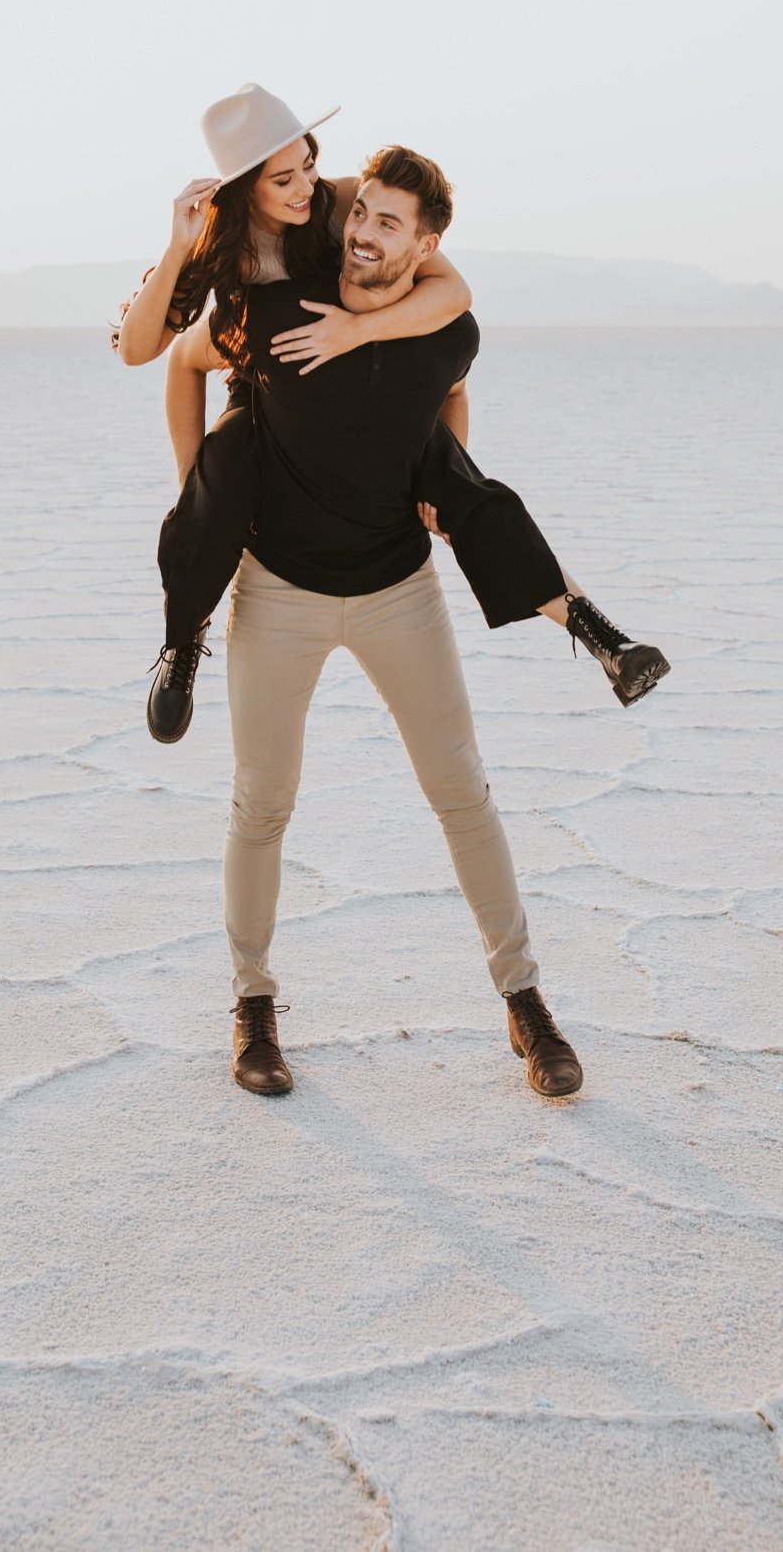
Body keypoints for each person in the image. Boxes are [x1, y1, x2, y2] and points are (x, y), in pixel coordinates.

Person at [171, 144, 587, 1099]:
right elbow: (180, 360)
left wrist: (446, 480)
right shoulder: (287, 303)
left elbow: (451, 371)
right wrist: (196, 495)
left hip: (401, 587)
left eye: (386, 223)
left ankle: (525, 1005)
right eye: (360, 215)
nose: (361, 231)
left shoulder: (433, 313)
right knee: (261, 801)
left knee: (461, 793)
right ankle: (254, 1007)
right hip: (278, 590)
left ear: (422, 241)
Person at [117, 86, 669, 741]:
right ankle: (183, 638)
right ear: (243, 188)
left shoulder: (346, 203)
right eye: (284, 178)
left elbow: (453, 291)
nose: (305, 187)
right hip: (268, 385)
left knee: (456, 476)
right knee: (221, 472)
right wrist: (192, 485)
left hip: (364, 378)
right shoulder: (221, 244)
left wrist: (355, 331)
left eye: (309, 165)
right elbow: (148, 352)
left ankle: (603, 637)